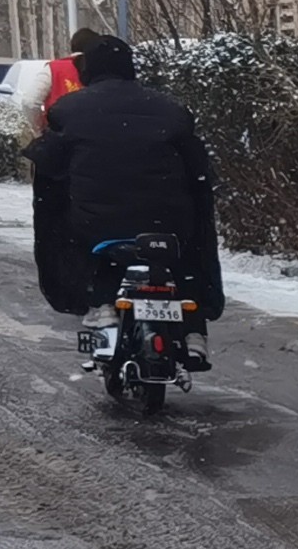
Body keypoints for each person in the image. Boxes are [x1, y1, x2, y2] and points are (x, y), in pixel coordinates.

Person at [24, 34, 224, 335]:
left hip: (96, 225)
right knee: (181, 250)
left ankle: (100, 301)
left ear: (87, 70)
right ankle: (193, 328)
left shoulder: (70, 111)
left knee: (71, 225)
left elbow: (50, 169)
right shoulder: (169, 110)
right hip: (167, 224)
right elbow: (199, 169)